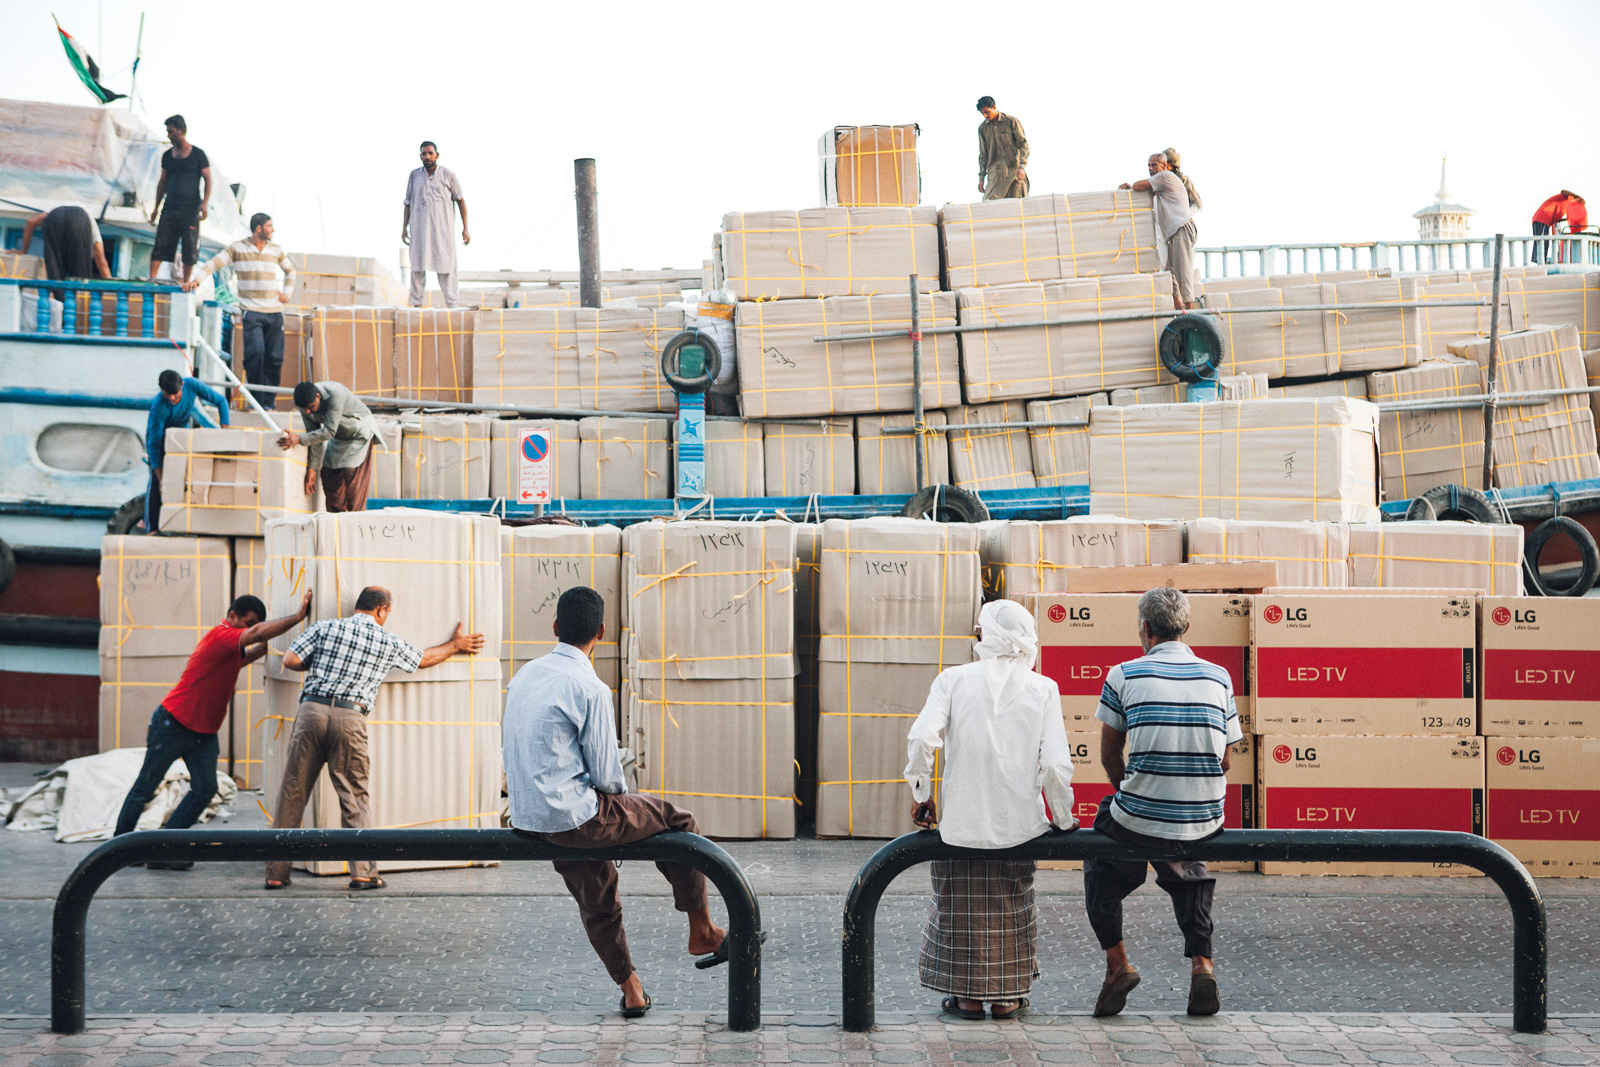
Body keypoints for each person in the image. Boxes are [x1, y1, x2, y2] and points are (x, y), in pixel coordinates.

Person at [503, 586, 728, 1019]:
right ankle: (701, 929)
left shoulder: (525, 674)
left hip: (529, 817)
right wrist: (621, 815)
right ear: (601, 633)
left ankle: (632, 991)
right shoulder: (589, 686)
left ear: (555, 628)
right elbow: (608, 777)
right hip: (578, 815)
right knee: (679, 822)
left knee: (598, 897)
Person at [903, 599, 1077, 1022]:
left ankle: (965, 1000)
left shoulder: (953, 679)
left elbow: (923, 738)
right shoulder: (1044, 688)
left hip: (960, 823)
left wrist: (922, 792)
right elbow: (1055, 764)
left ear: (987, 637)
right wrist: (1063, 816)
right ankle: (1008, 1000)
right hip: (1019, 825)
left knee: (959, 906)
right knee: (1012, 907)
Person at [1084, 587, 1242, 1019]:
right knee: (1185, 865)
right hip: (1205, 814)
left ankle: (1118, 965)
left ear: (1145, 628)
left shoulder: (1122, 675)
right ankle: (1202, 965)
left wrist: (1133, 792)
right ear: (1186, 627)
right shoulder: (1219, 676)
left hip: (1141, 817)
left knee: (1101, 849)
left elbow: (1109, 756)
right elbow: (1227, 759)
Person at [267, 586, 484, 891]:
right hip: (350, 717)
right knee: (354, 796)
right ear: (381, 610)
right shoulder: (386, 640)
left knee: (293, 791)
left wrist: (319, 670)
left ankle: (276, 873)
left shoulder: (324, 627)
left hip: (311, 712)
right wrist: (455, 644)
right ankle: (362, 874)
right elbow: (423, 659)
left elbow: (289, 660)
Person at [113, 590, 313, 864]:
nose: (251, 629)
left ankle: (164, 850)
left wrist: (258, 652)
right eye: (249, 623)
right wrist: (299, 617)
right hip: (173, 724)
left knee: (205, 788)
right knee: (145, 789)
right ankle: (115, 853)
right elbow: (255, 634)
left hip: (203, 733)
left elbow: (237, 662)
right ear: (233, 617)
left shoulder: (230, 647)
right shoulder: (221, 634)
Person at [184, 213, 297, 409]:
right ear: (259, 229)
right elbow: (213, 263)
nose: (273, 230)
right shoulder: (237, 248)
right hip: (251, 311)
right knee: (255, 354)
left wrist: (287, 293)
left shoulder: (276, 250)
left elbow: (291, 271)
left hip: (275, 312)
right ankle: (255, 402)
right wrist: (196, 281)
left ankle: (268, 404)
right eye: (269, 226)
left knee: (274, 358)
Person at [145, 369, 230, 534]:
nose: (172, 399)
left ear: (182, 386)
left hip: (181, 438)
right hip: (159, 440)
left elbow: (220, 401)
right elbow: (153, 443)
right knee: (156, 485)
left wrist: (224, 432)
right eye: (167, 395)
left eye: (175, 396)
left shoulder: (191, 384)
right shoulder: (158, 406)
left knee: (185, 478)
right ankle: (151, 529)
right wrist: (161, 477)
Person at [276, 381, 380, 512]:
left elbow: (329, 432)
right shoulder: (305, 407)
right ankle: (336, 522)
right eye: (304, 409)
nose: (308, 412)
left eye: (311, 407)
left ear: (318, 397)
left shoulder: (335, 395)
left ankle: (355, 520)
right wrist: (312, 469)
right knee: (329, 475)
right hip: (339, 437)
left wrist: (299, 439)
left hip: (358, 434)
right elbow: (313, 436)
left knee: (352, 478)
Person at [1121, 149, 1201, 310]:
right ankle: (1180, 312)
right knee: (1170, 271)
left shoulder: (1165, 177)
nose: (1150, 168)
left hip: (1182, 227)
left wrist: (1133, 186)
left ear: (1166, 166)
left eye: (1154, 165)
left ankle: (1190, 312)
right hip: (1171, 231)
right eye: (1149, 165)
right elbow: (1140, 189)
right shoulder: (1161, 181)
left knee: (1183, 270)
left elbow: (1138, 186)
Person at [402, 141, 470, 308]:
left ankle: (452, 304)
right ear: (420, 156)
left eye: (430, 153)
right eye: (424, 154)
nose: (427, 157)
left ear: (436, 155)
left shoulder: (448, 175)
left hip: (442, 231)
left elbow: (460, 201)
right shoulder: (414, 176)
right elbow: (408, 203)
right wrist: (404, 228)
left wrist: (465, 228)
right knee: (417, 266)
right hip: (419, 230)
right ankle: (416, 304)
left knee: (446, 265)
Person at [148, 115, 212, 286]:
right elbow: (162, 182)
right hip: (170, 207)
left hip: (190, 208)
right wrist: (155, 208)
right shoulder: (168, 156)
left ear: (181, 131)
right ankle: (152, 279)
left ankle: (186, 281)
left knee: (189, 245)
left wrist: (204, 204)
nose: (168, 135)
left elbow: (208, 179)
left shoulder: (198, 155)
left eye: (171, 131)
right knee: (161, 242)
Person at [20, 205, 111, 280]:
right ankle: (79, 297)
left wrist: (23, 251)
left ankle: (57, 296)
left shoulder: (52, 211)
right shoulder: (92, 224)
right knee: (80, 268)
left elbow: (31, 221)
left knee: (54, 263)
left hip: (54, 215)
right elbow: (100, 258)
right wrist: (109, 283)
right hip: (79, 218)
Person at [976, 97, 1028, 201]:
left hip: (1014, 172)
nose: (985, 116)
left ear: (994, 107)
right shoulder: (982, 129)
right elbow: (983, 155)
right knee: (989, 204)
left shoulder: (1011, 122)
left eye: (987, 112)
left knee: (1017, 205)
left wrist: (1021, 167)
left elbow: (1023, 145)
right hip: (995, 174)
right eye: (983, 113)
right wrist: (981, 179)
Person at [1531, 190, 1587, 263]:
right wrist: (1577, 196)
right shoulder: (1568, 198)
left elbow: (1571, 218)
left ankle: (1541, 260)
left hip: (1544, 220)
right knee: (1542, 241)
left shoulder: (1568, 207)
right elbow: (1563, 191)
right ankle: (1539, 260)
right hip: (1542, 218)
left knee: (1545, 242)